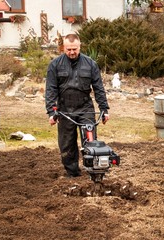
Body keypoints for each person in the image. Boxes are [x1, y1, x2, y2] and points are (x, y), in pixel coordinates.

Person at [45, 32, 110, 177]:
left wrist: (104, 109)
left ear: (79, 46)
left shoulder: (90, 64)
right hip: (65, 109)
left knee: (90, 141)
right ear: (63, 48)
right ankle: (72, 173)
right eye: (69, 49)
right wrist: (51, 111)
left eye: (75, 49)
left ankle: (94, 172)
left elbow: (98, 88)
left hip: (85, 107)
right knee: (67, 143)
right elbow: (51, 89)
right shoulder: (55, 65)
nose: (72, 52)